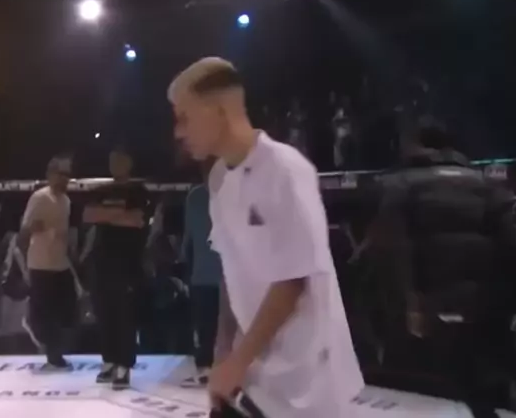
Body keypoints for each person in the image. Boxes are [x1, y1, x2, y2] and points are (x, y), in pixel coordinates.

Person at [168, 57, 364, 417]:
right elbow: (229, 272)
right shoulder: (218, 180)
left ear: (219, 110)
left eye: (185, 117)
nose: (178, 132)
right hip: (255, 370)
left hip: (306, 379)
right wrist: (223, 353)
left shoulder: (285, 169)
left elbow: (293, 280)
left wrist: (238, 362)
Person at [366, 116, 516, 418]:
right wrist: (514, 303)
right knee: (485, 398)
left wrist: (406, 306)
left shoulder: (400, 186)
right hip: (483, 314)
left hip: (425, 319)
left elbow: (393, 251)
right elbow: (514, 250)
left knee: (417, 398)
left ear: (416, 146)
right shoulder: (486, 186)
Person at [82, 147, 151, 389]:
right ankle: (109, 360)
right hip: (101, 261)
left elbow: (136, 219)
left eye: (119, 160)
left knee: (124, 315)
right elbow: (88, 215)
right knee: (104, 313)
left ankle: (124, 364)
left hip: (126, 262)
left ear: (129, 162)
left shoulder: (137, 190)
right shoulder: (102, 189)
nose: (114, 164)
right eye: (111, 160)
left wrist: (106, 215)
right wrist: (118, 214)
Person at [19, 155, 75, 369]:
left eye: (68, 174)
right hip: (41, 263)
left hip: (61, 262)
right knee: (46, 312)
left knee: (68, 309)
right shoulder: (40, 197)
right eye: (61, 174)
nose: (65, 179)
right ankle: (54, 353)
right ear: (50, 175)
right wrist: (37, 229)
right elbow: (24, 230)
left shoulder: (66, 201)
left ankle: (56, 347)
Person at [179, 160, 224, 388]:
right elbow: (189, 236)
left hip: (229, 277)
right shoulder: (195, 197)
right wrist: (184, 264)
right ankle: (204, 369)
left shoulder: (233, 195)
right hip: (201, 275)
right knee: (205, 326)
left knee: (228, 328)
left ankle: (229, 370)